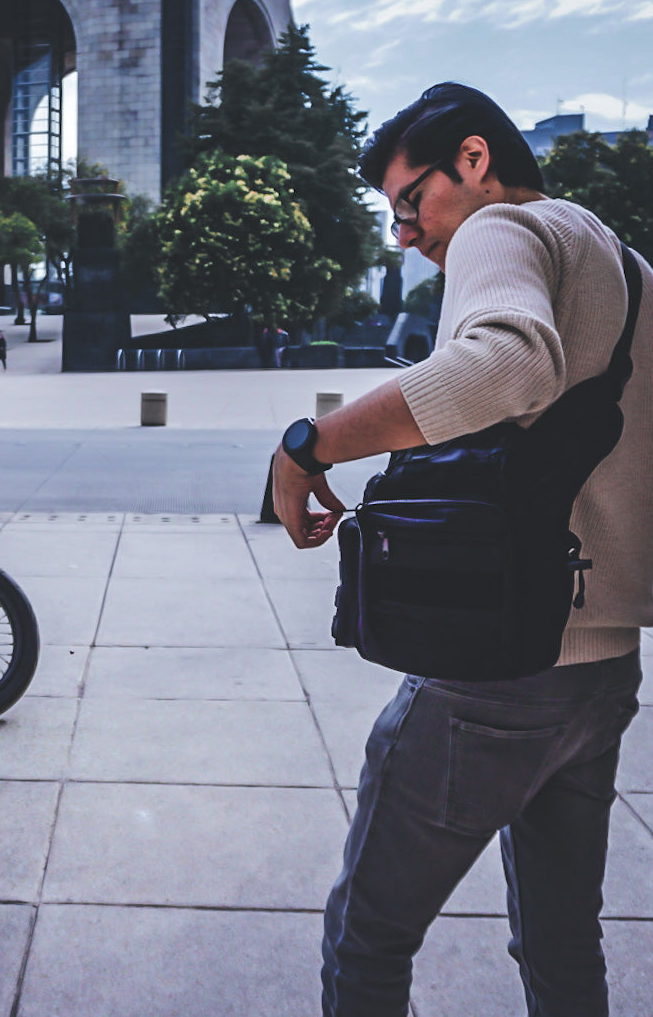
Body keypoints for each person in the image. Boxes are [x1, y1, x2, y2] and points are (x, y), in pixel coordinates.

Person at [271, 83, 653, 1016]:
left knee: (368, 939)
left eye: (410, 204)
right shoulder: (627, 264)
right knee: (563, 942)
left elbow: (505, 363)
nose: (405, 234)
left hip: (494, 674)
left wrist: (307, 445)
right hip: (603, 672)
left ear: (474, 161)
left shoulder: (501, 230)